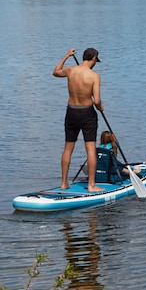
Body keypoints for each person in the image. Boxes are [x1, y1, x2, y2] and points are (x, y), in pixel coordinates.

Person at [53, 47, 103, 191]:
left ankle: (64, 183)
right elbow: (97, 100)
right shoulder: (94, 76)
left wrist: (66, 55)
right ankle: (91, 185)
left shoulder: (71, 70)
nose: (95, 63)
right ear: (93, 58)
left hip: (71, 112)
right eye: (96, 60)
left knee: (68, 148)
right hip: (87, 113)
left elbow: (55, 72)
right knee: (91, 148)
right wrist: (101, 107)